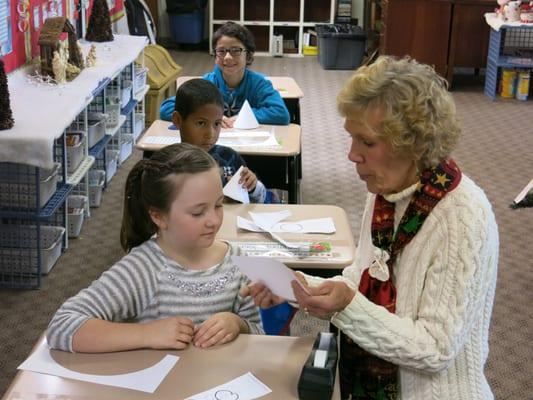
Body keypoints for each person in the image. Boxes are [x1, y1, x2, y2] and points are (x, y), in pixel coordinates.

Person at [242, 56, 499, 399]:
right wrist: (301, 287)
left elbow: (436, 349)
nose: (352, 155)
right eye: (352, 138)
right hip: (369, 383)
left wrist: (345, 306)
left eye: (367, 142)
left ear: (412, 142)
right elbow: (359, 281)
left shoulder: (462, 216)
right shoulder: (386, 191)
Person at [47, 143, 263, 353]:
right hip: (163, 387)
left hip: (222, 386)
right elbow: (62, 326)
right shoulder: (143, 269)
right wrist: (146, 334)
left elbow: (260, 337)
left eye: (218, 205)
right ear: (159, 216)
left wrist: (238, 325)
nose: (214, 221)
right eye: (198, 212)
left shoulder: (237, 260)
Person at [160, 21, 290, 127]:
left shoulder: (259, 83)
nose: (227, 57)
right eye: (221, 51)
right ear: (215, 56)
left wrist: (243, 117)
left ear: (248, 56)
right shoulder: (207, 83)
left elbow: (281, 114)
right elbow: (166, 109)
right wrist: (209, 117)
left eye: (235, 50)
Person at [172, 77, 275, 204]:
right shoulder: (170, 166)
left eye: (217, 124)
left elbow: (263, 202)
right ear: (178, 120)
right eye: (200, 123)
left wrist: (253, 187)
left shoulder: (229, 158)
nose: (210, 134)